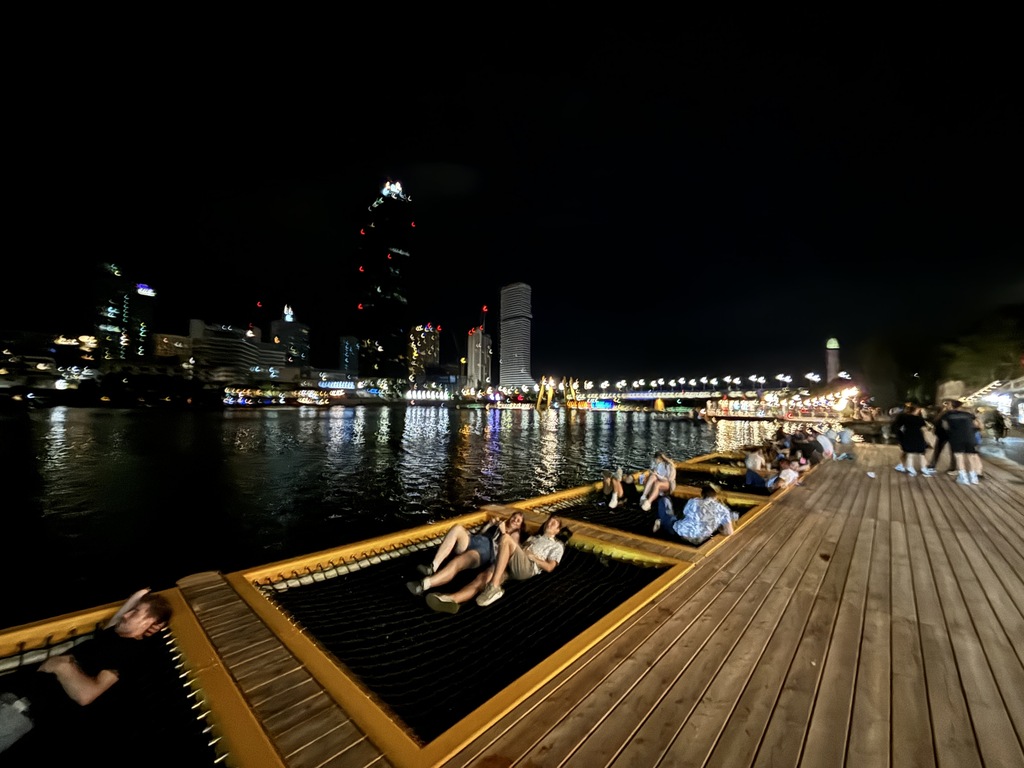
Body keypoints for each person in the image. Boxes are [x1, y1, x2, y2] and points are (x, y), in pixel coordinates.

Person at [0, 588, 173, 755]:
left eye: (135, 613)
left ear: (150, 623)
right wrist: (143, 596)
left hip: (20, 711)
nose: (126, 615)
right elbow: (130, 605)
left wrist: (62, 666)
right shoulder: (113, 635)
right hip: (14, 695)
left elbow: (87, 695)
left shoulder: (128, 654)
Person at [406, 512, 523, 596]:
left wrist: (503, 532)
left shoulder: (514, 534)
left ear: (519, 526)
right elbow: (481, 533)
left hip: (484, 551)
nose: (514, 520)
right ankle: (433, 566)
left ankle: (424, 584)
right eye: (514, 517)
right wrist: (490, 525)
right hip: (474, 540)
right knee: (457, 528)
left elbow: (510, 550)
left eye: (518, 521)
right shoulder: (500, 524)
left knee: (457, 563)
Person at [475, 515, 566, 607]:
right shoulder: (534, 537)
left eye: (553, 523)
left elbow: (549, 567)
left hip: (528, 566)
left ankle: (493, 586)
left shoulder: (557, 545)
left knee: (506, 538)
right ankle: (459, 599)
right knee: (483, 577)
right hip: (514, 563)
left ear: (557, 530)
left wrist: (532, 557)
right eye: (548, 521)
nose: (549, 524)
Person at [653, 485, 736, 545]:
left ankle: (660, 521)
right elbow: (729, 532)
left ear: (702, 495)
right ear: (716, 497)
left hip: (682, 534)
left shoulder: (694, 501)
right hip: (701, 539)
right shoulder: (723, 510)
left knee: (664, 501)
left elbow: (684, 514)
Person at [942, 400, 984, 485]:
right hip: (970, 437)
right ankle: (973, 478)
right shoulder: (969, 415)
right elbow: (978, 425)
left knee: (959, 457)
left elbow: (945, 426)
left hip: (957, 437)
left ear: (952, 406)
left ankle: (963, 478)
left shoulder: (947, 415)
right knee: (971, 457)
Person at [891, 403, 933, 476]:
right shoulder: (919, 419)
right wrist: (923, 415)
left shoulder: (904, 417)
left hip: (907, 435)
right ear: (916, 410)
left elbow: (896, 426)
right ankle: (923, 468)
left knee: (909, 453)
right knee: (921, 453)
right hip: (918, 436)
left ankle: (909, 467)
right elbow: (927, 426)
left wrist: (899, 435)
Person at [926, 401, 953, 473]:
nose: (947, 406)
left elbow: (935, 421)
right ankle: (933, 464)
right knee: (939, 450)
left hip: (947, 434)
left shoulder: (951, 413)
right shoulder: (944, 413)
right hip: (944, 434)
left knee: (950, 451)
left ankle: (952, 467)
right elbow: (935, 420)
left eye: (948, 404)